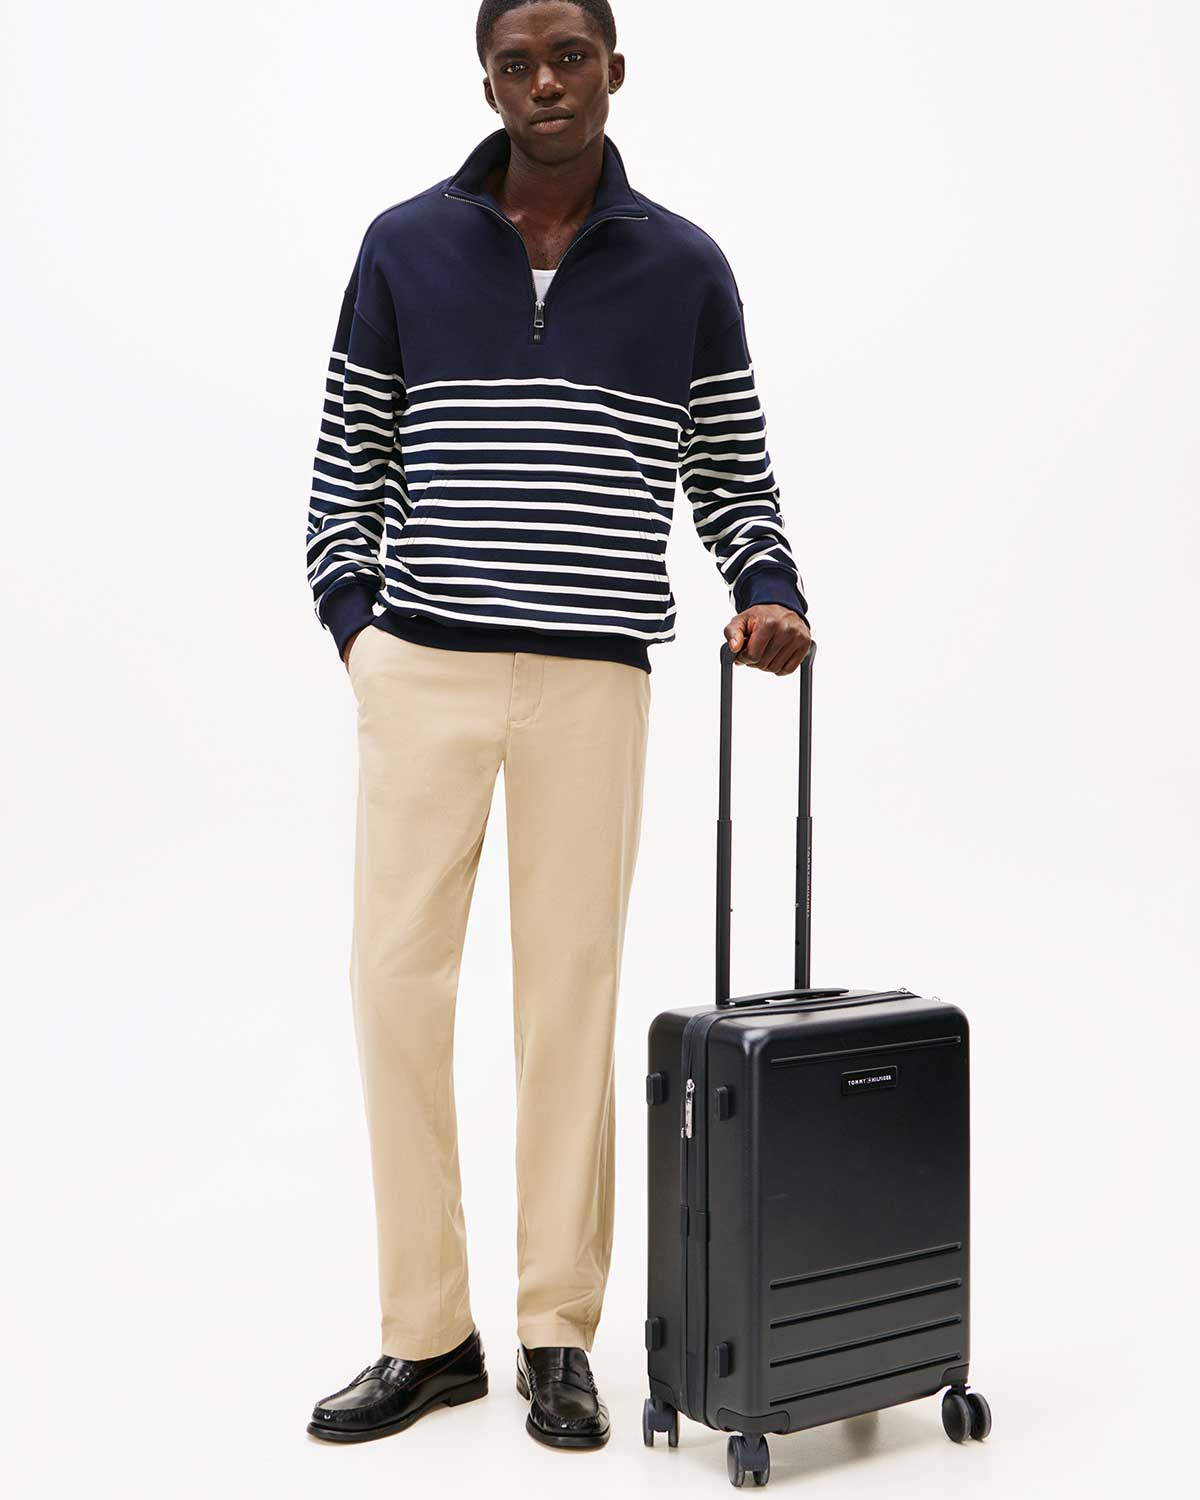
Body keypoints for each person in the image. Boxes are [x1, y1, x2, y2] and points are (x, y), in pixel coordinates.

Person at [303, 0, 812, 1452]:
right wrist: (362, 632)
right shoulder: (403, 246)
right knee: (395, 988)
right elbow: (346, 464)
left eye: (568, 57)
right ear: (488, 84)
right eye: (517, 63)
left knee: (568, 1003)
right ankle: (426, 1335)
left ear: (613, 72)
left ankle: (555, 1333)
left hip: (593, 681)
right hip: (426, 670)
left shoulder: (684, 266)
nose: (545, 83)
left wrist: (768, 587)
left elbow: (734, 471)